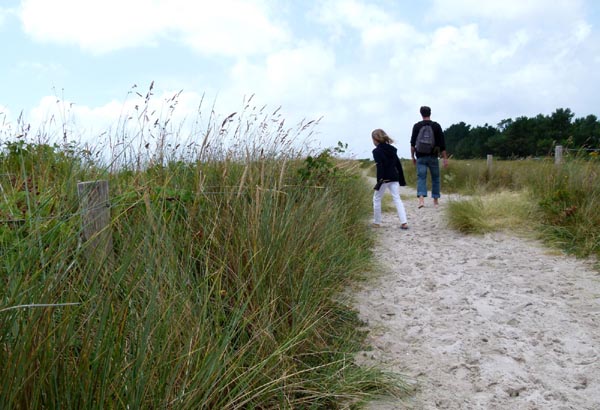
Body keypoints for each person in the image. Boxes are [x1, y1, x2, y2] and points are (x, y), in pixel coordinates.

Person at [410, 106, 448, 208]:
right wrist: (445, 158)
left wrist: (413, 157)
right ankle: (435, 201)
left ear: (421, 114)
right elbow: (442, 144)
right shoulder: (436, 126)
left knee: (421, 177)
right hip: (433, 156)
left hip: (420, 156)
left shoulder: (417, 126)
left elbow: (413, 144)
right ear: (430, 113)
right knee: (435, 178)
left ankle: (421, 200)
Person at [371, 129, 409, 229]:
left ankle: (377, 222)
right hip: (394, 177)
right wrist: (402, 180)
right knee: (397, 199)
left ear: (375, 139)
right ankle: (404, 222)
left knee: (377, 199)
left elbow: (380, 166)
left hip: (384, 179)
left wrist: (379, 181)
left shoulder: (376, 151)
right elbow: (398, 165)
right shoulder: (392, 149)